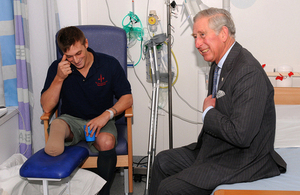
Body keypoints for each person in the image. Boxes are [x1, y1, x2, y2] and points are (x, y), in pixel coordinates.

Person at [149, 8, 286, 195]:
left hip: (243, 159)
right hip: (217, 149)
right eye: (195, 36)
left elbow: (241, 136)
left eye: (202, 35)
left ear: (223, 34)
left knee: (169, 189)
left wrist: (208, 113)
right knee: (162, 161)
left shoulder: (248, 72)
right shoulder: (218, 64)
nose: (197, 43)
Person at [41, 26, 133, 195]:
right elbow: (47, 107)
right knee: (58, 125)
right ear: (63, 54)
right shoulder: (58, 67)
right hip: (71, 121)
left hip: (101, 120)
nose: (76, 60)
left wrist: (107, 115)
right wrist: (59, 78)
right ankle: (61, 186)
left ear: (86, 44)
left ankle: (102, 192)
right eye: (69, 56)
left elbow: (127, 98)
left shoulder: (108, 63)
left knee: (107, 142)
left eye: (79, 53)